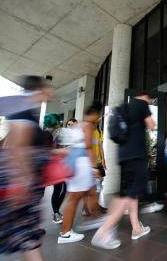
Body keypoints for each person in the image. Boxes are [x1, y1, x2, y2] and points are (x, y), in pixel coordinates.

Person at [0, 75, 54, 261]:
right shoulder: (24, 107)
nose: (50, 92)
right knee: (20, 233)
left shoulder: (24, 107)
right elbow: (17, 146)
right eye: (47, 88)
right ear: (39, 89)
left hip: (17, 184)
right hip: (18, 183)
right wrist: (22, 181)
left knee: (26, 235)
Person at [91, 92, 156, 250]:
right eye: (150, 99)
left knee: (131, 193)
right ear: (145, 96)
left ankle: (137, 228)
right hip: (137, 155)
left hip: (124, 156)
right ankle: (104, 231)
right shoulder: (141, 104)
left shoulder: (123, 108)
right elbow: (151, 125)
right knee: (129, 195)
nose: (150, 101)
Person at [58, 102, 105, 244]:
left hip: (73, 163)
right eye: (99, 115)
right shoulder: (88, 126)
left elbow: (66, 146)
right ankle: (65, 233)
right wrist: (94, 167)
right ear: (95, 114)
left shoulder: (76, 126)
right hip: (81, 164)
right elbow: (89, 148)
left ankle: (94, 218)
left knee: (91, 192)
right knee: (74, 198)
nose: (99, 119)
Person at [43, 113, 67, 224]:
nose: (60, 123)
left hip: (50, 166)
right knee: (60, 189)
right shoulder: (51, 135)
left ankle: (56, 213)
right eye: (59, 121)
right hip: (52, 167)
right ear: (56, 122)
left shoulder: (47, 133)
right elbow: (49, 151)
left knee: (59, 189)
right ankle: (56, 213)